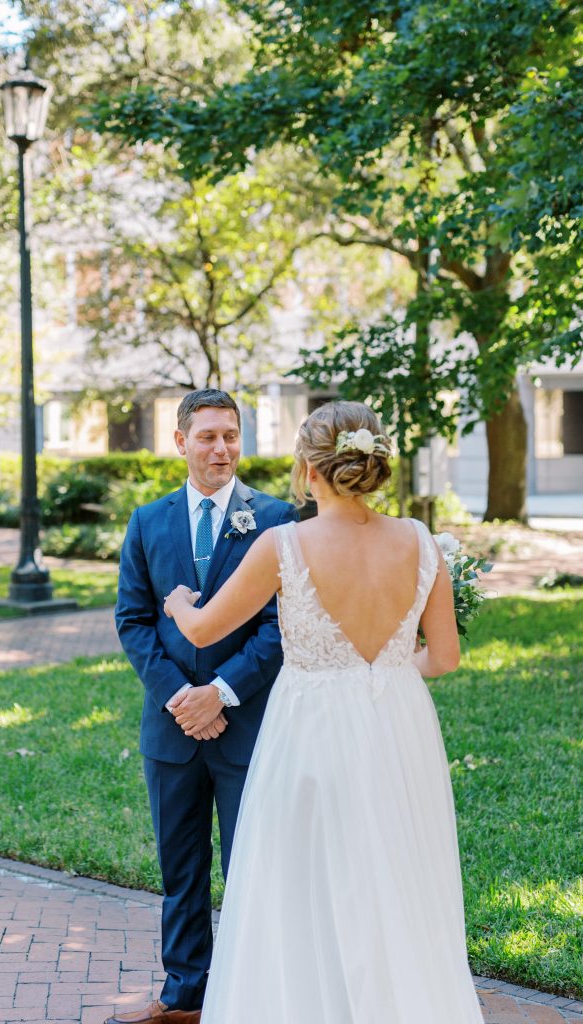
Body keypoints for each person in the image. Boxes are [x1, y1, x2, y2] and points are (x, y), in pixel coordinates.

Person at [163, 400, 485, 1024]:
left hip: (309, 726)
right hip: (398, 726)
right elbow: (443, 656)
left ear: (308, 470)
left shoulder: (283, 544)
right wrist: (384, 674)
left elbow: (202, 630)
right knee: (395, 878)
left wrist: (178, 602)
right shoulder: (421, 542)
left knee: (300, 881)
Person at [106, 389, 297, 1024]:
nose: (222, 448)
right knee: (180, 872)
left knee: (251, 868)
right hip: (171, 729)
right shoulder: (148, 521)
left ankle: (251, 998)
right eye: (209, 436)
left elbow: (279, 626)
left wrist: (221, 692)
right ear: (181, 442)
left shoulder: (275, 518)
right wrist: (180, 696)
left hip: (244, 724)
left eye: (231, 435)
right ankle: (184, 996)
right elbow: (133, 620)